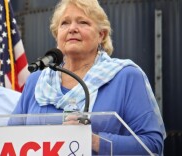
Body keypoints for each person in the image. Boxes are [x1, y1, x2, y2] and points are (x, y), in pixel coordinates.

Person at [10, 0, 166, 155]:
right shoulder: (36, 81)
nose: (72, 29)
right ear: (57, 35)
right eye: (65, 23)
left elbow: (152, 145)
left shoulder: (126, 77)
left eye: (83, 22)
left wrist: (93, 141)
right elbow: (9, 137)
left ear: (101, 35)